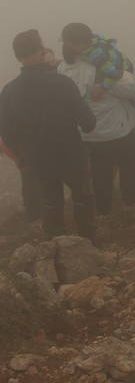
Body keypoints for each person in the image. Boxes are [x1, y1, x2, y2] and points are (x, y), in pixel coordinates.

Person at [0, 30, 97, 240]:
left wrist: (23, 157)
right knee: (82, 197)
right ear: (42, 50)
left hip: (38, 160)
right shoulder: (62, 83)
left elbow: (7, 134)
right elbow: (88, 123)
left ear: (18, 57)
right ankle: (89, 245)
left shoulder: (9, 91)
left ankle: (57, 249)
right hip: (71, 154)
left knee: (51, 203)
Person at [60, 23, 135, 224]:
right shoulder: (101, 64)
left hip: (90, 133)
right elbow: (134, 88)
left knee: (100, 175)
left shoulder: (63, 68)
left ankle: (104, 214)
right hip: (119, 130)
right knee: (128, 169)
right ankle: (130, 207)